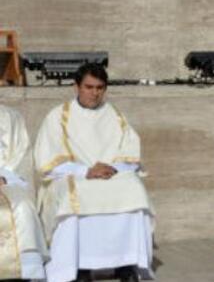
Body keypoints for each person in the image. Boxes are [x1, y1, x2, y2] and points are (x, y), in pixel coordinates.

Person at [35, 63, 154, 282]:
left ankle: (126, 264)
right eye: (89, 87)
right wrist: (86, 170)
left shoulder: (114, 114)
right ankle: (80, 267)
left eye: (100, 88)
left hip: (110, 174)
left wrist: (113, 168)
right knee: (77, 194)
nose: (95, 93)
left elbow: (130, 149)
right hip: (73, 176)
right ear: (76, 86)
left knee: (133, 188)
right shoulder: (58, 116)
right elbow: (48, 161)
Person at [0, 105, 47, 281]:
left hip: (5, 180)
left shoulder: (11, 116)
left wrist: (4, 177)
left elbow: (22, 154)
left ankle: (25, 272)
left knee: (23, 207)